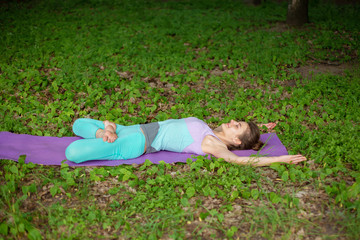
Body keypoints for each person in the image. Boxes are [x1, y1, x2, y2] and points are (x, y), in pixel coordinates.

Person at [65, 117, 306, 166]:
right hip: (134, 128)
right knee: (78, 123)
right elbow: (244, 138)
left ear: (235, 139)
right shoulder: (211, 131)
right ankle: (105, 132)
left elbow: (240, 161)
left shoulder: (214, 145)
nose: (232, 121)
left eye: (237, 126)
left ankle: (108, 133)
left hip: (138, 142)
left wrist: (280, 159)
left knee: (73, 152)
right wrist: (261, 127)